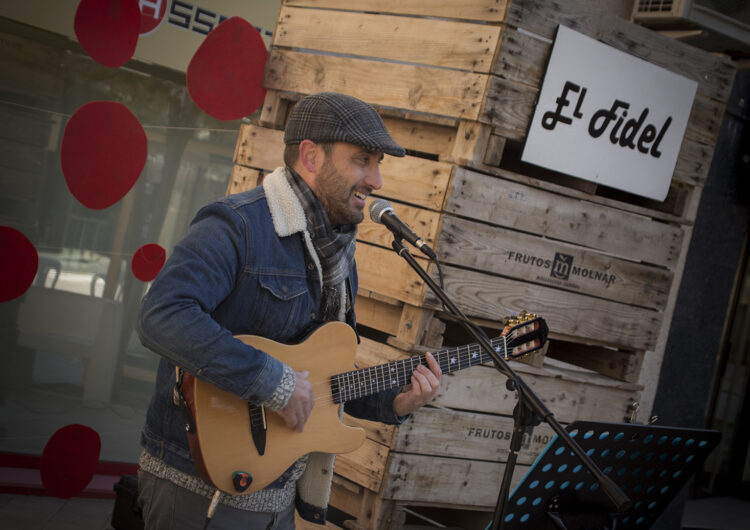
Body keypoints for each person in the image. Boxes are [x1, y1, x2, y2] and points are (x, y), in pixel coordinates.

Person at [135, 92, 442, 529]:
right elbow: (160, 314)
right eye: (362, 160)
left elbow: (319, 380)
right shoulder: (237, 225)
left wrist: (396, 399)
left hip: (280, 497)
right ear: (311, 156)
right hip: (197, 488)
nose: (375, 179)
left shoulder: (339, 255)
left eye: (379, 165)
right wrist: (270, 382)